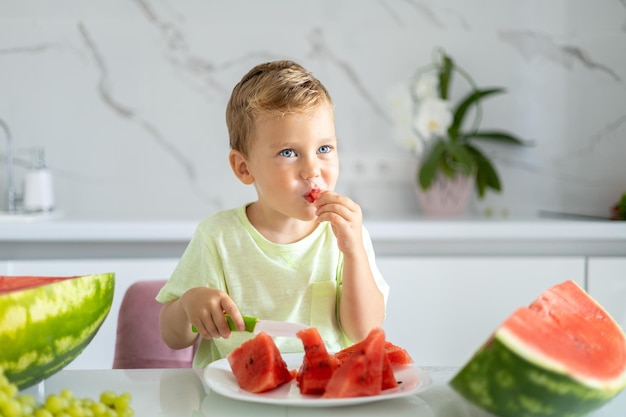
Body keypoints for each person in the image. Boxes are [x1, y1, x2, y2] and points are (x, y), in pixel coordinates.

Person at [156, 60, 389, 368]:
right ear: (244, 168)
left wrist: (354, 252)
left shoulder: (346, 235)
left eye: (324, 149)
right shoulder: (218, 236)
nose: (312, 170)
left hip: (325, 400)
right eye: (288, 153)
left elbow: (364, 333)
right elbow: (172, 337)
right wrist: (187, 307)